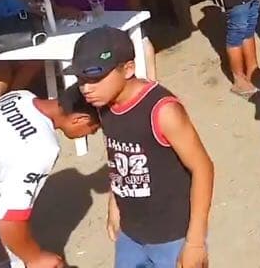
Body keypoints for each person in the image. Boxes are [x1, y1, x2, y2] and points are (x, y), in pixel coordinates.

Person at [72, 27, 214, 268]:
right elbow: (118, 158)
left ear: (128, 69)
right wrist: (114, 205)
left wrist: (196, 242)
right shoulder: (103, 105)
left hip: (173, 237)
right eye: (81, 79)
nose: (87, 88)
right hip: (130, 233)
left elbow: (203, 168)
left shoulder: (163, 111)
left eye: (96, 77)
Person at [0, 87, 99, 268]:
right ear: (80, 119)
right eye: (94, 129)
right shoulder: (42, 147)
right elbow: (8, 220)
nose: (92, 133)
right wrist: (35, 257)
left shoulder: (18, 96)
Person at [46, 0, 158, 80]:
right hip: (82, 33)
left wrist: (131, 16)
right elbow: (47, 7)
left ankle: (150, 85)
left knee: (143, 43)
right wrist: (61, 10)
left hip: (118, 25)